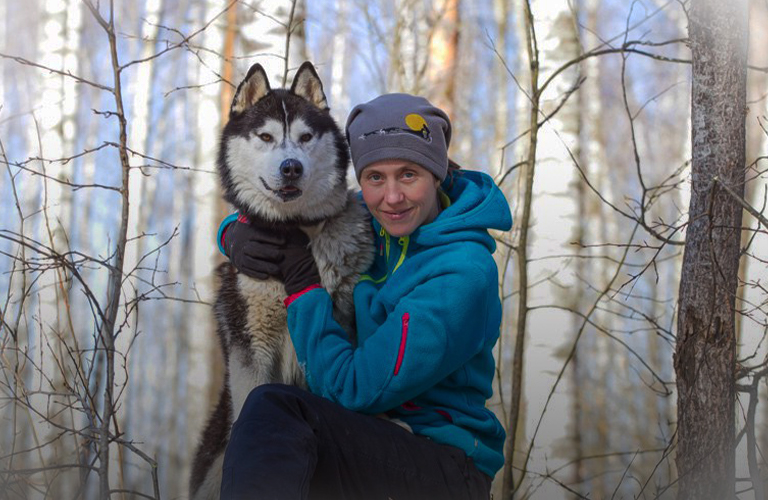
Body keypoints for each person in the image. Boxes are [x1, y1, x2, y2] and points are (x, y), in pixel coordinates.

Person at [218, 93, 512, 499]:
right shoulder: (372, 222)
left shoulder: (462, 274)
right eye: (375, 177)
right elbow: (299, 211)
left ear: (437, 173)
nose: (391, 198)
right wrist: (234, 233)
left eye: (408, 174)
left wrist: (304, 285)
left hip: (443, 466)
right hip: (370, 438)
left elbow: (354, 390)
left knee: (275, 412)